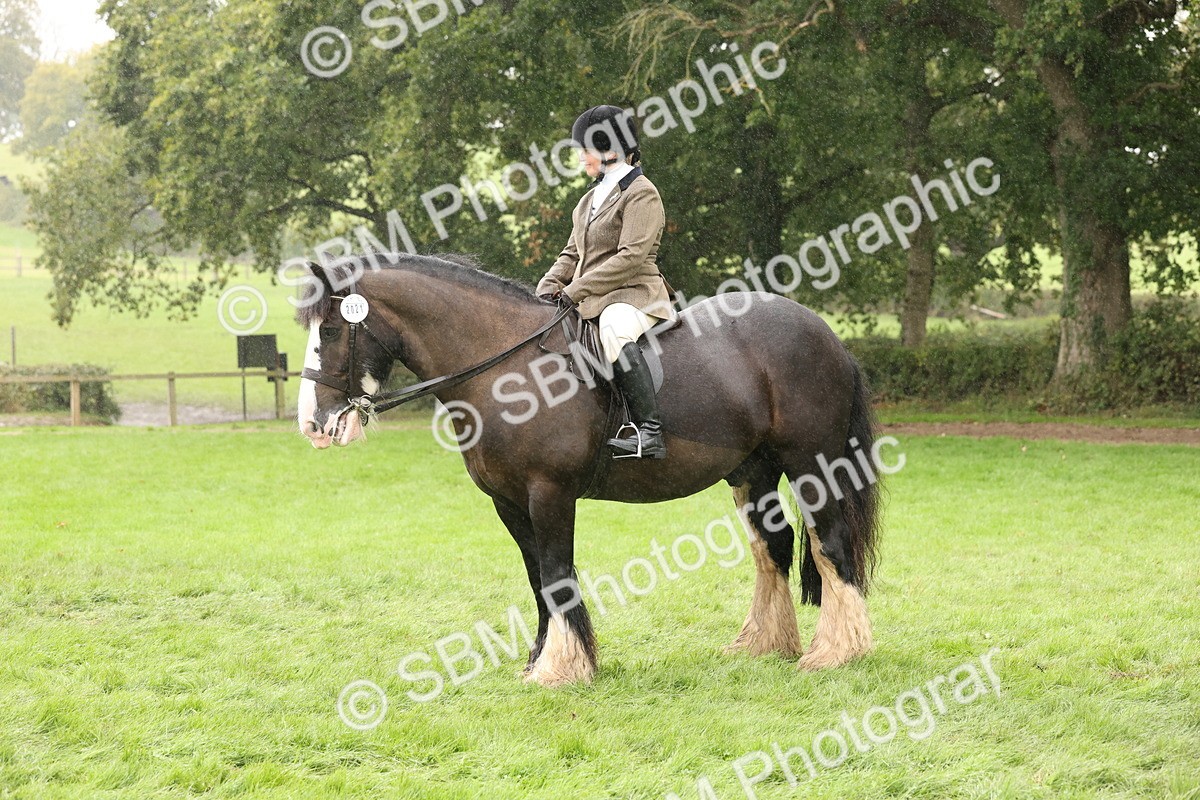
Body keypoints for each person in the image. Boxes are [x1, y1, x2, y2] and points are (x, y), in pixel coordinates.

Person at [537, 105, 677, 459]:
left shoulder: (642, 192)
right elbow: (572, 255)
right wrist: (547, 286)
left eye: (586, 150)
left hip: (636, 295)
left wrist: (574, 291)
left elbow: (630, 258)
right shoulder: (588, 200)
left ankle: (650, 432)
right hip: (593, 297)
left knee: (614, 328)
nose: (582, 158)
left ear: (610, 151)